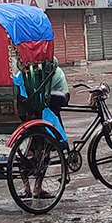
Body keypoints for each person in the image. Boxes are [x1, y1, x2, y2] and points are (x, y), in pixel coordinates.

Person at [17, 59, 70, 199]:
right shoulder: (51, 69)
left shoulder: (24, 71)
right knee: (44, 148)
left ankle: (27, 188)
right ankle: (37, 188)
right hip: (42, 112)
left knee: (24, 150)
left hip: (24, 113)